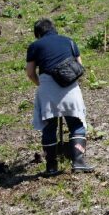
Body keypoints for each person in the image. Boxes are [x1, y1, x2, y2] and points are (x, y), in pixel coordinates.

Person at [26, 17, 93, 175]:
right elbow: (79, 67)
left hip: (47, 88)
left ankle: (51, 167)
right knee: (76, 124)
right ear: (53, 28)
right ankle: (78, 162)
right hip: (70, 87)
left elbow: (30, 73)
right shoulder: (69, 41)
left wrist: (41, 84)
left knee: (49, 127)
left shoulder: (35, 46)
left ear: (38, 33)